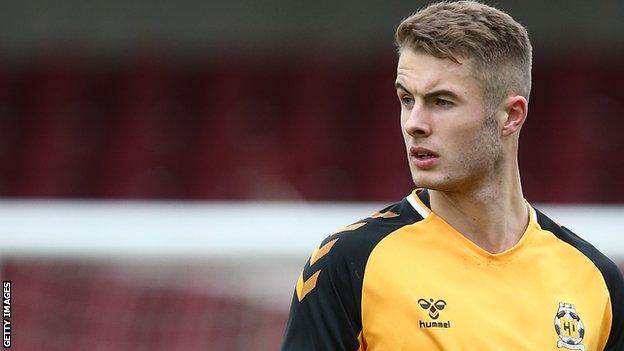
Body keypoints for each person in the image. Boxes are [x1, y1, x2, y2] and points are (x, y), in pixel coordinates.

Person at [281, 1, 623, 350]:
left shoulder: (595, 280)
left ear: (511, 116)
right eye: (406, 99)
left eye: (441, 101)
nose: (415, 123)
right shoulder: (349, 263)